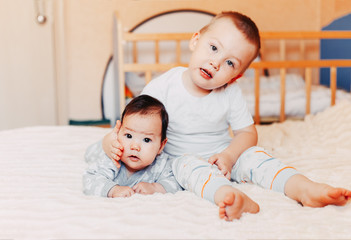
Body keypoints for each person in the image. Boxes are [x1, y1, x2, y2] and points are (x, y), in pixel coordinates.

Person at [102, 11, 351, 220]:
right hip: (177, 158)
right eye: (213, 48)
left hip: (222, 153)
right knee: (193, 170)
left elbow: (247, 133)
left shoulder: (230, 92)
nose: (216, 63)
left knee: (257, 157)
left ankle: (303, 187)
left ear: (237, 76)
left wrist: (230, 156)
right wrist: (111, 143)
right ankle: (228, 197)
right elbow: (131, 125)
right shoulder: (164, 85)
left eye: (230, 63)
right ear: (195, 40)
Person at [83, 95, 183, 197]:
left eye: (146, 140)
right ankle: (106, 140)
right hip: (99, 150)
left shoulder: (161, 164)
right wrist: (113, 190)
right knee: (90, 153)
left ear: (161, 146)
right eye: (129, 136)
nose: (135, 146)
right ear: (119, 133)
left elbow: (176, 182)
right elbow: (90, 179)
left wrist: (155, 187)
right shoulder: (114, 158)